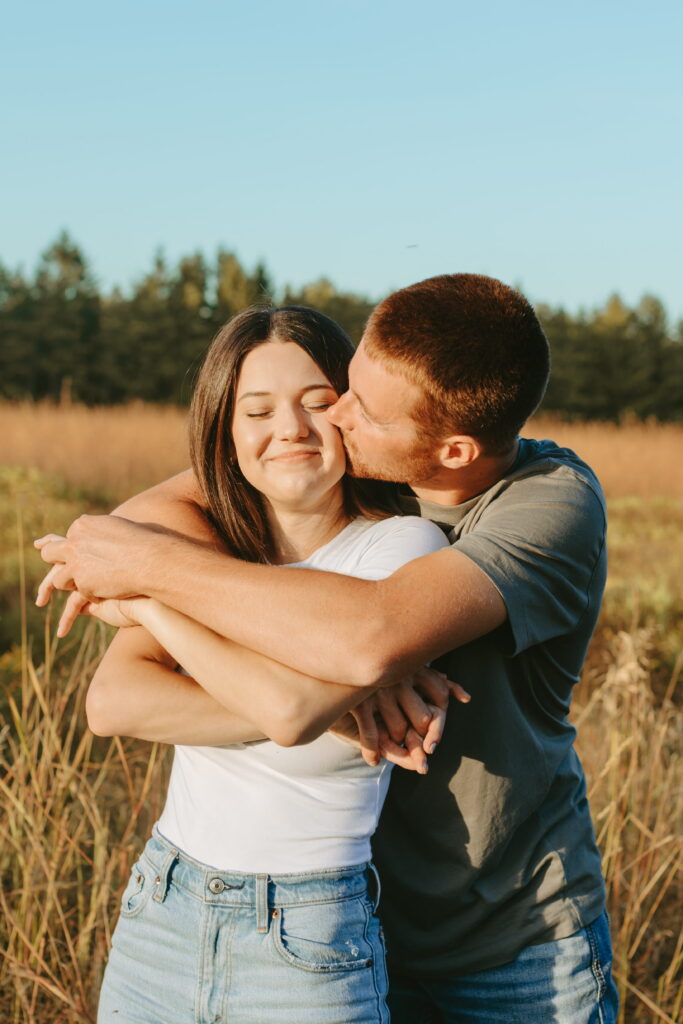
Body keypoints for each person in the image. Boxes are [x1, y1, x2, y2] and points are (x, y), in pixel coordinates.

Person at [36, 273, 619, 1023]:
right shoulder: (356, 469)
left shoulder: (548, 505)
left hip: (508, 942)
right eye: (342, 387)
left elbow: (367, 637)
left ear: (451, 449)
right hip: (360, 918)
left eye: (355, 408)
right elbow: (157, 511)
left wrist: (148, 577)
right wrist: (142, 565)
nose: (332, 415)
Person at [50, 306, 453, 1024]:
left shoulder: (401, 551)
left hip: (305, 938)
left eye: (317, 403)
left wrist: (148, 604)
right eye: (257, 410)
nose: (289, 430)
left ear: (351, 413)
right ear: (226, 433)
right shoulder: (207, 551)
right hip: (161, 908)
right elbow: (112, 704)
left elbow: (291, 712)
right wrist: (333, 707)